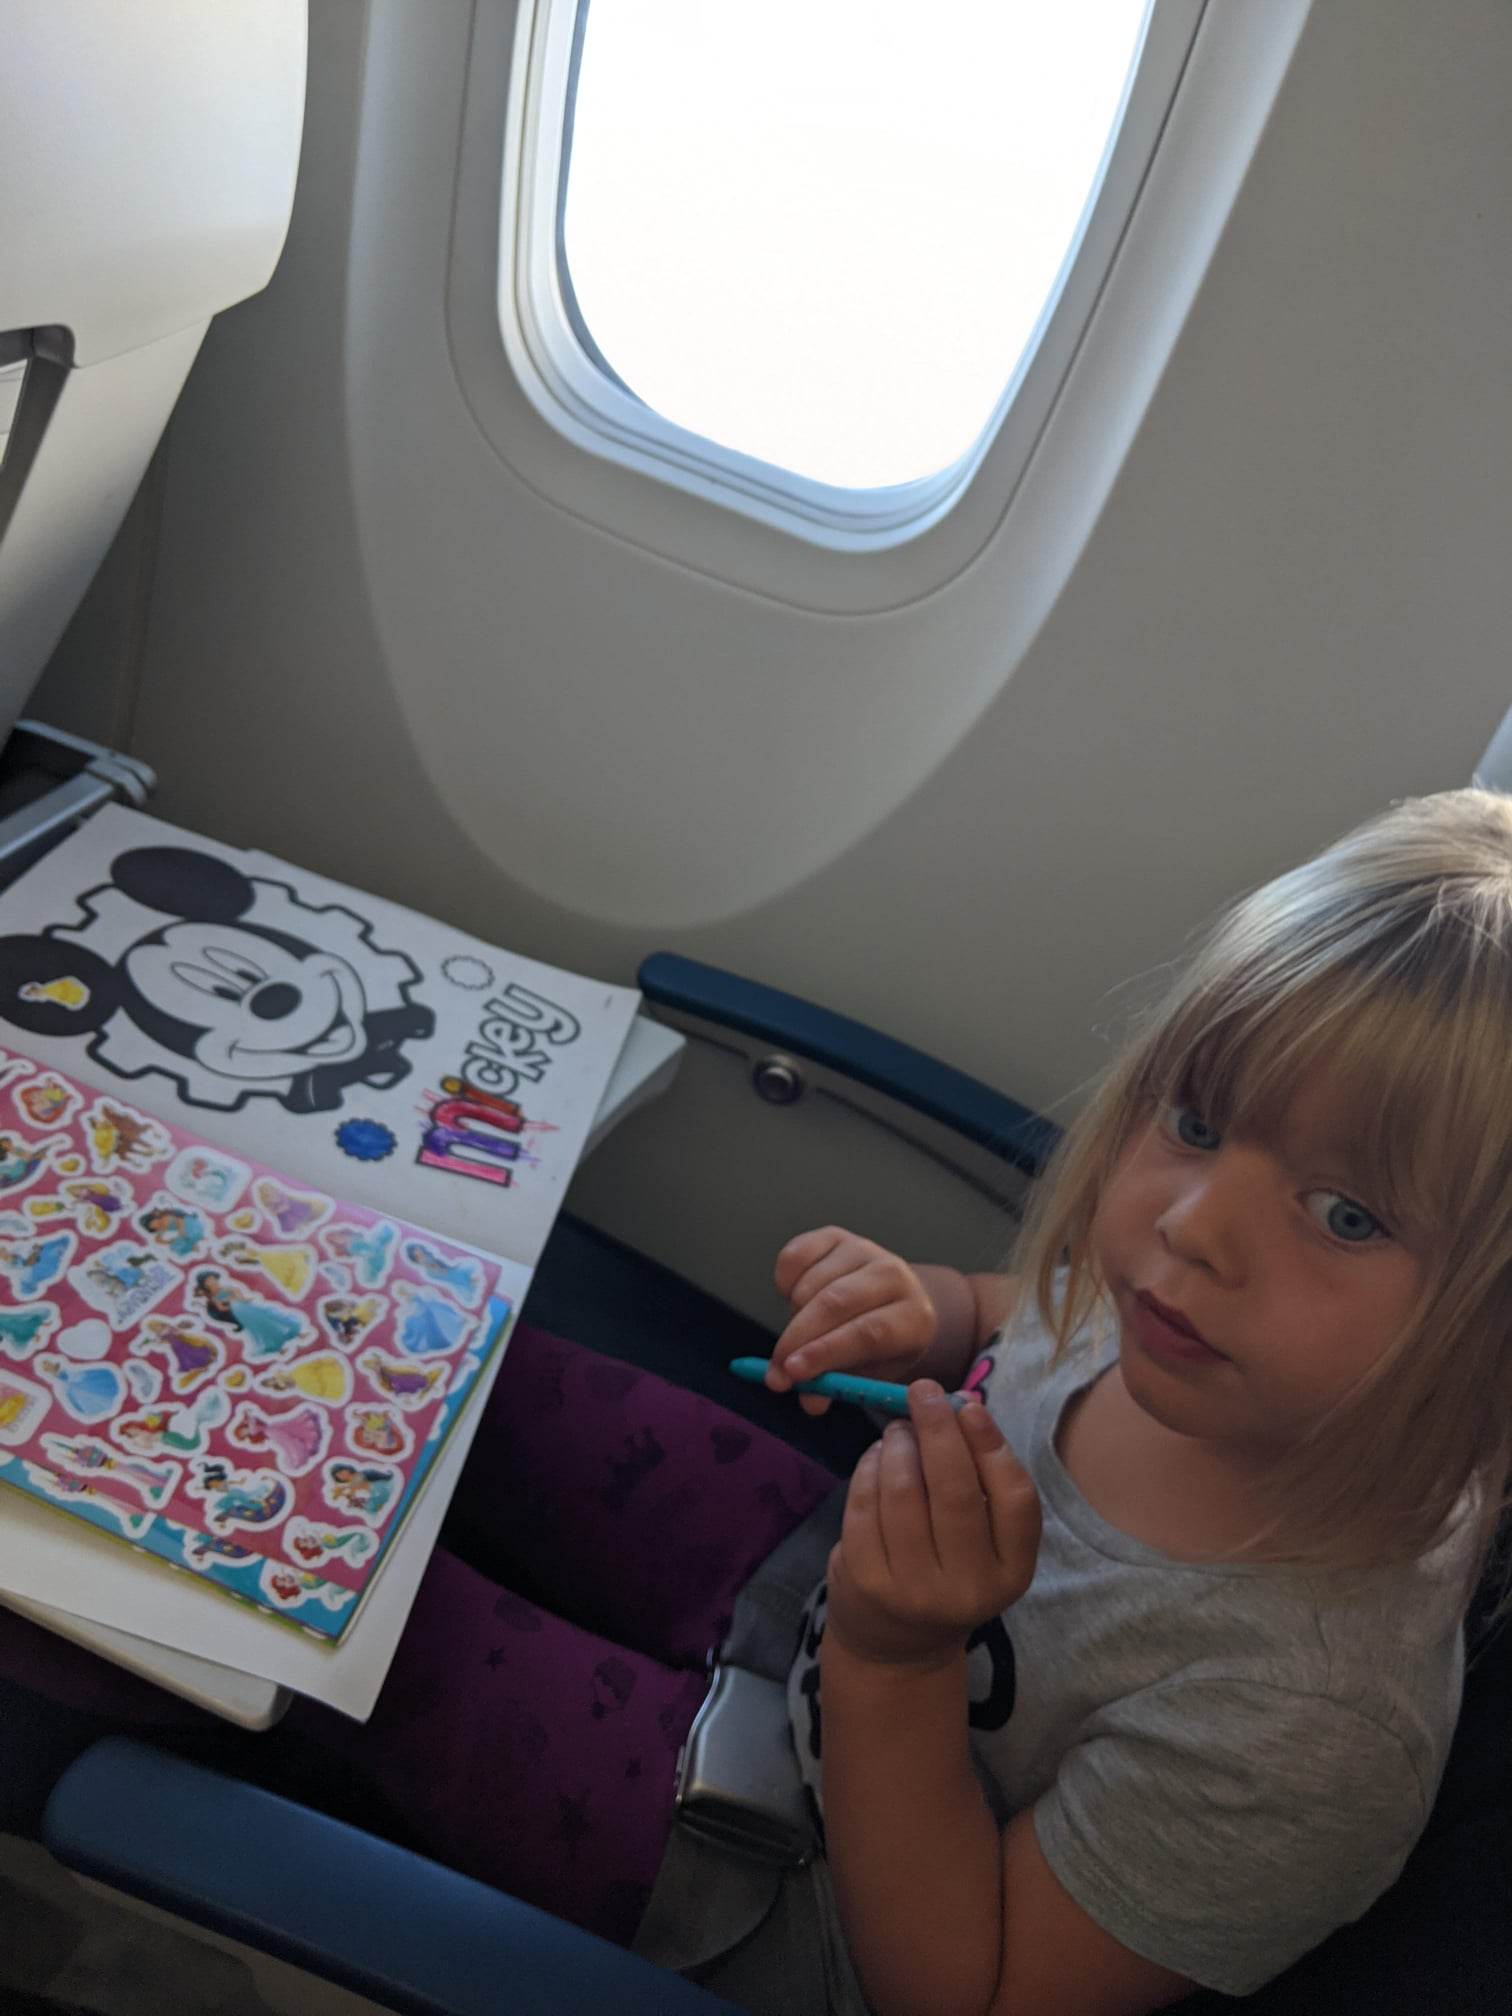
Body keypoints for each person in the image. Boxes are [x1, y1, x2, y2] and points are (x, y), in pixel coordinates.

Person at [4, 785, 1512, 2016]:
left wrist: (894, 1659)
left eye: (1348, 1216)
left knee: (321, 1612)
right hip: (811, 1571)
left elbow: (964, 1993)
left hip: (784, 1873)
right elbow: (1043, 1313)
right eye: (1193, 1119)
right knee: (429, 1354)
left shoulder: (1309, 1725)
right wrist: (937, 1308)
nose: (1190, 1226)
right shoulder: (1203, 1317)